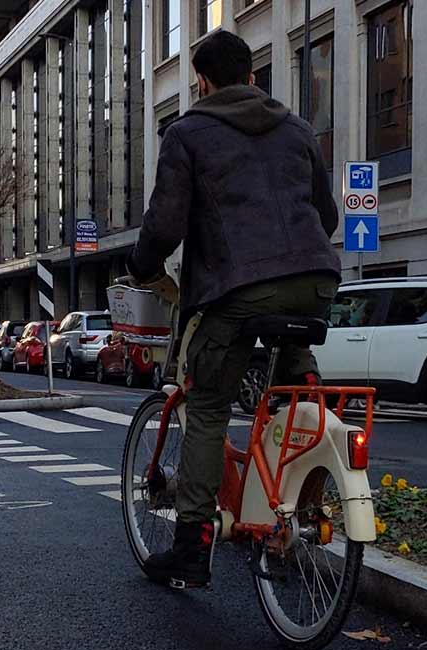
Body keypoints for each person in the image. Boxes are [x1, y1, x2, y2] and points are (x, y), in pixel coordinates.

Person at [125, 30, 340, 588]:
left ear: (201, 81)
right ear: (251, 76)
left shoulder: (188, 132)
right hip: (316, 281)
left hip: (240, 290)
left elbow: (165, 222)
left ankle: (193, 545)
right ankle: (299, 497)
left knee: (209, 406)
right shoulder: (295, 128)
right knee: (292, 385)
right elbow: (327, 216)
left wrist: (142, 267)